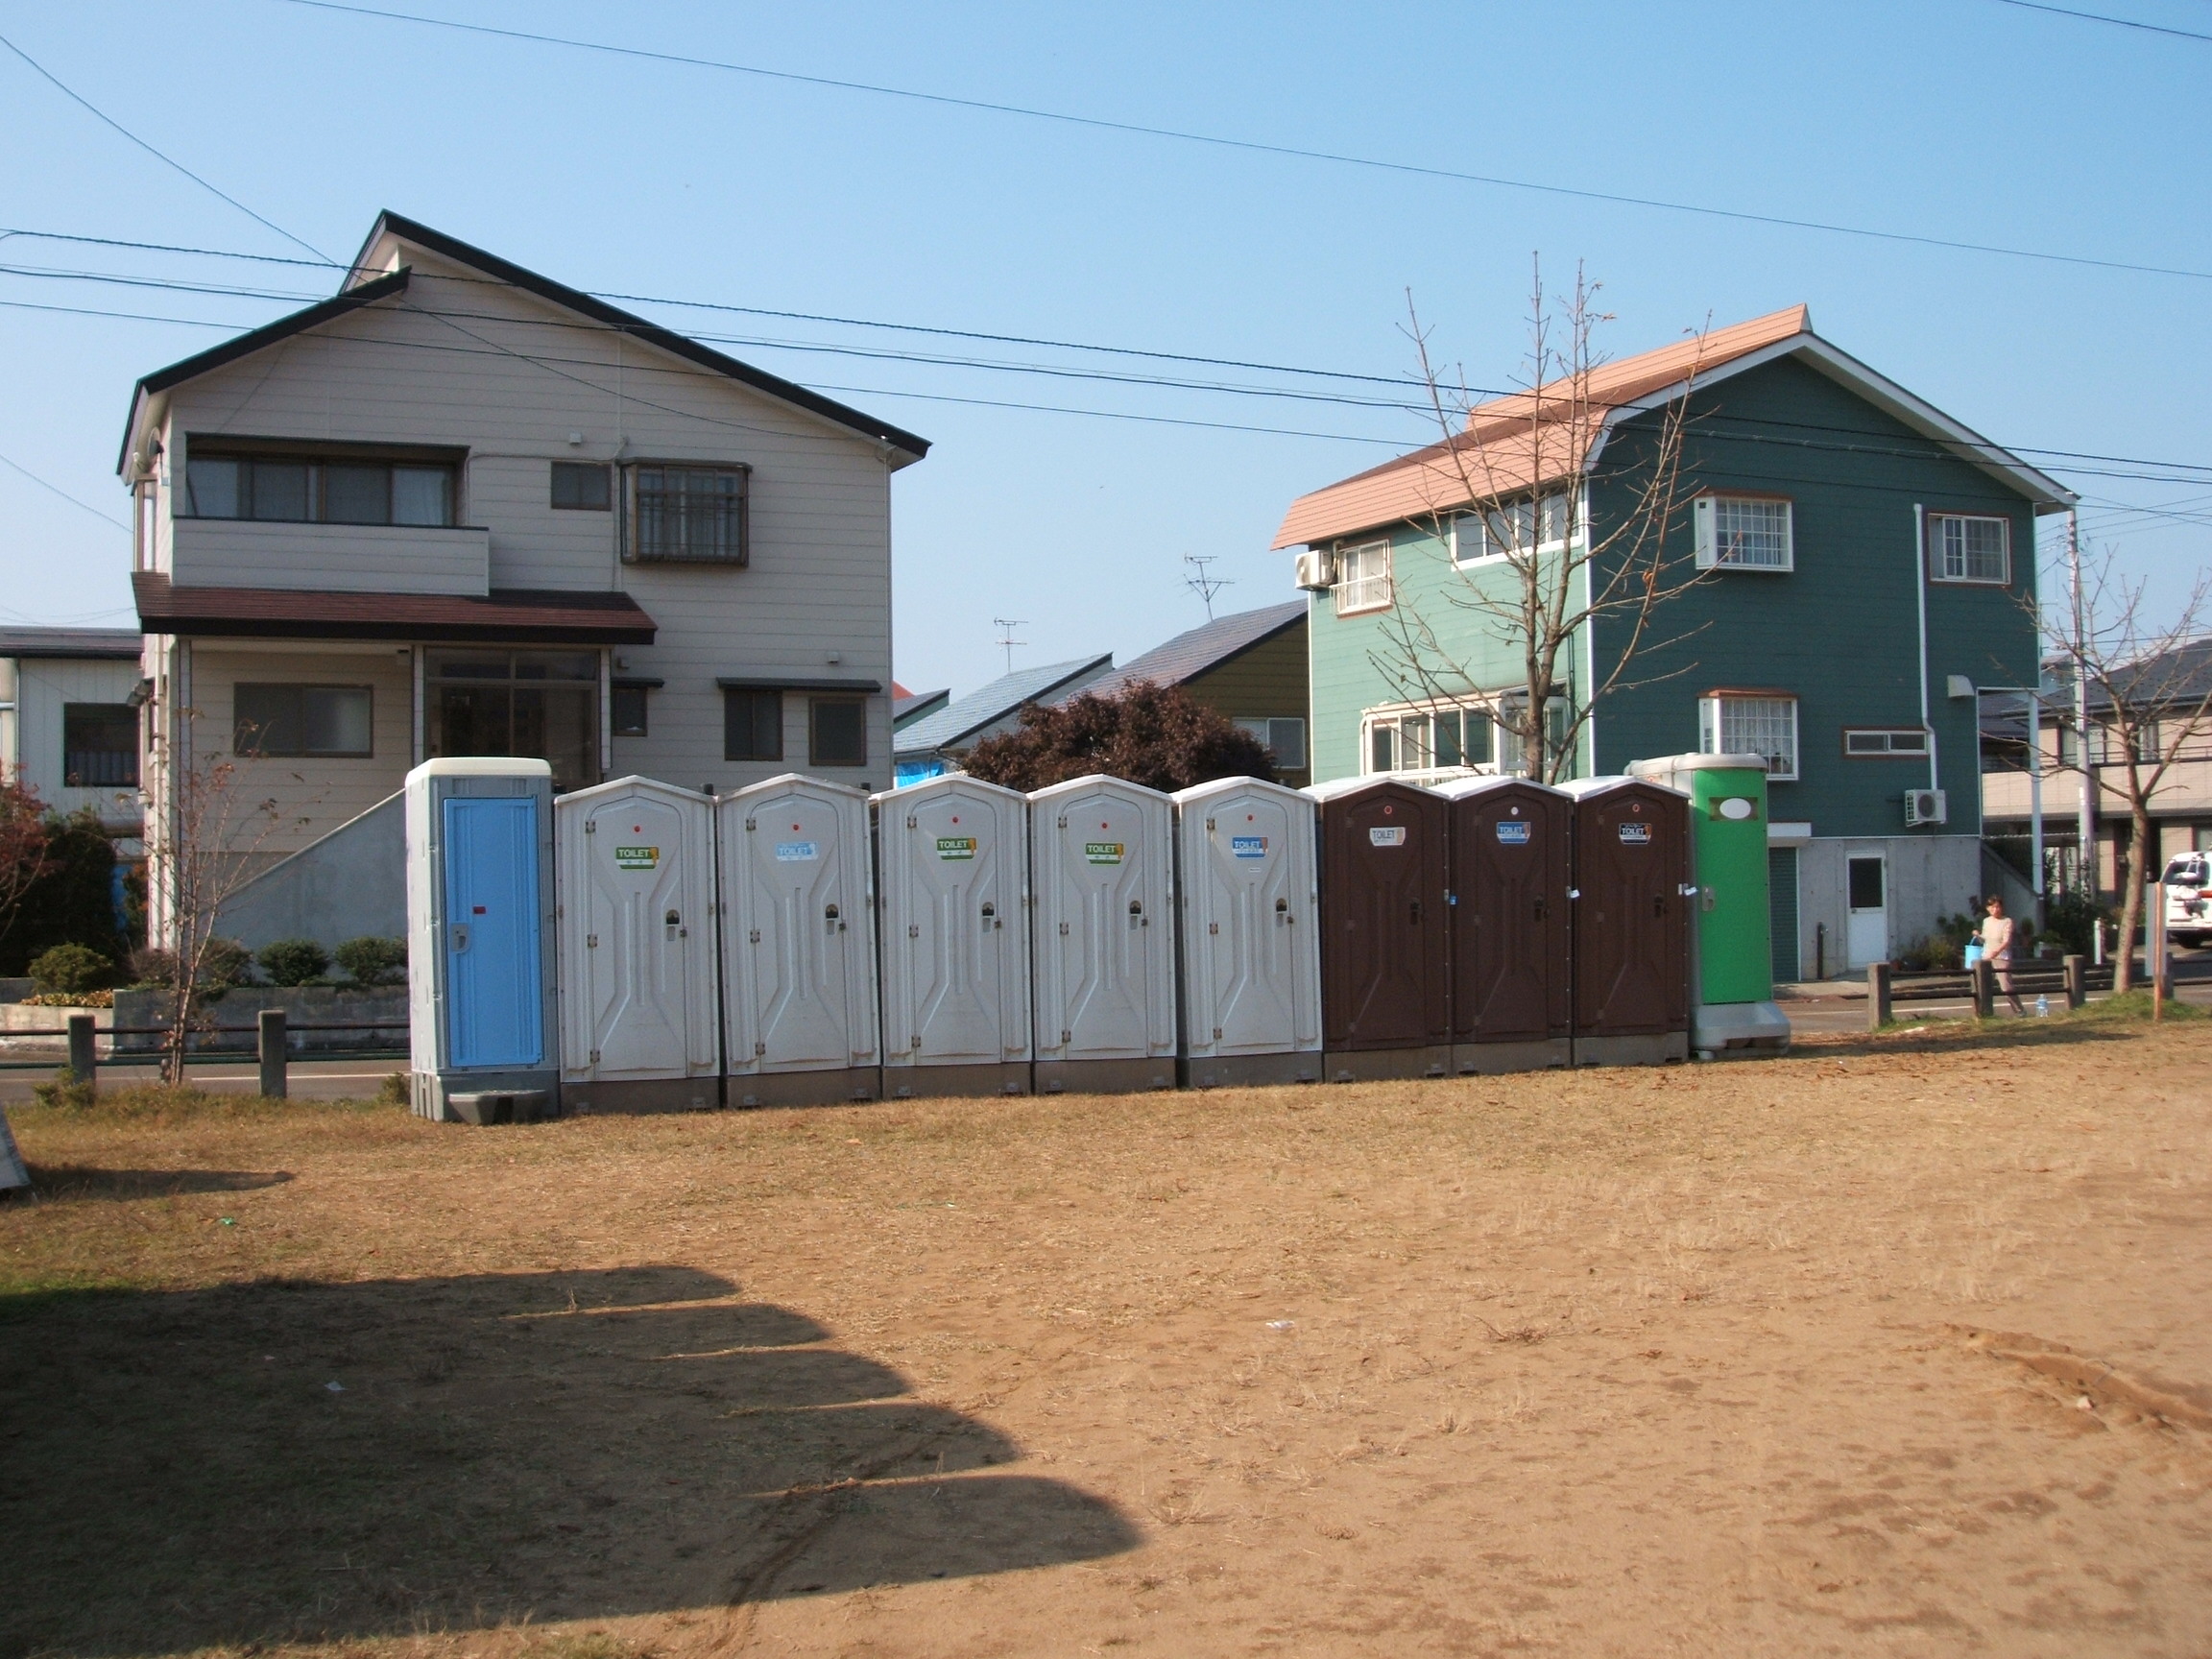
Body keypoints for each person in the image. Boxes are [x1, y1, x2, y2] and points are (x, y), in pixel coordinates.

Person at [1979, 897, 2026, 1016]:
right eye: (1993, 907)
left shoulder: (2007, 921)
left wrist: (1996, 952)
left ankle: (2019, 1010)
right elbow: (1985, 939)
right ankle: (1984, 1011)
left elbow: (2007, 941)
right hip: (1986, 956)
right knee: (1982, 985)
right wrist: (1977, 935)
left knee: (2006, 987)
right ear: (1988, 908)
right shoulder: (1986, 921)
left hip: (2002, 957)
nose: (1996, 909)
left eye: (1998, 906)